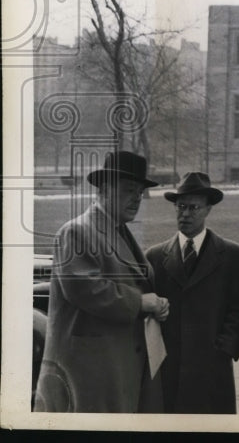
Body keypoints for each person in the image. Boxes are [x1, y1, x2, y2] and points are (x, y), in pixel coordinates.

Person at [35, 151, 169, 413]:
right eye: (130, 190)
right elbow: (85, 289)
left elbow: (137, 283)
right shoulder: (77, 231)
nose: (136, 199)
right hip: (87, 374)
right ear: (105, 189)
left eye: (140, 193)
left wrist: (156, 304)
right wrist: (141, 302)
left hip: (115, 370)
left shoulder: (117, 230)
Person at [146, 172, 239, 413]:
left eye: (193, 208)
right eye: (180, 207)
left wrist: (225, 348)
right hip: (169, 369)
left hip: (213, 370)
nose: (185, 214)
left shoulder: (232, 255)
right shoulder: (154, 256)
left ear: (208, 210)